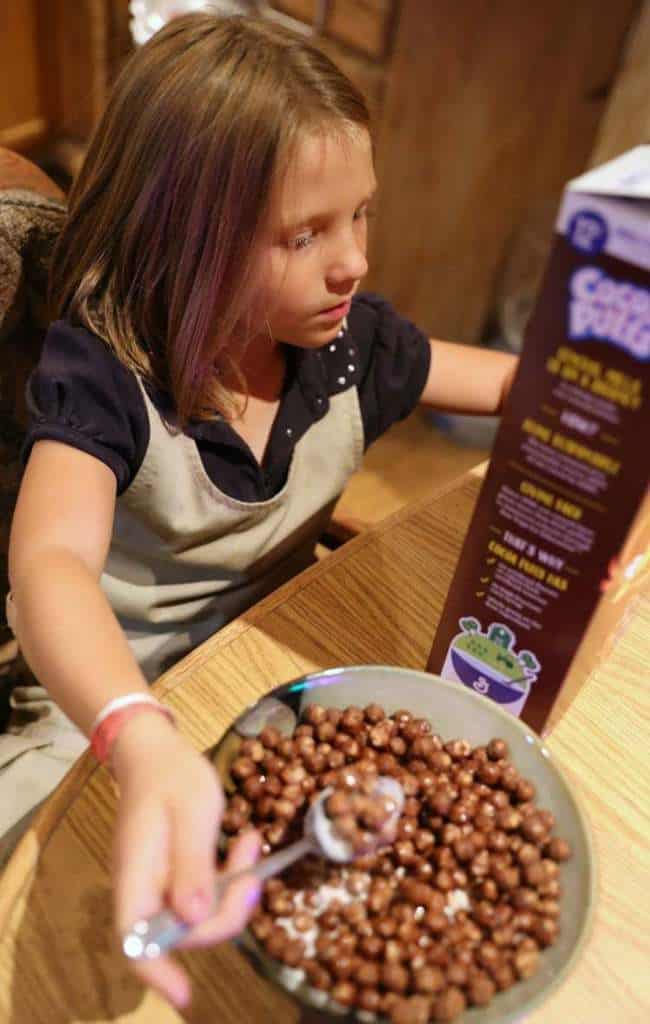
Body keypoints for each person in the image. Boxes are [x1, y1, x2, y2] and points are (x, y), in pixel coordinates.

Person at [3, 12, 518, 1009]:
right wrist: (137, 733)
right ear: (178, 237)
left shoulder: (346, 344)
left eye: (360, 215)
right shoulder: (105, 368)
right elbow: (50, 566)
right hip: (104, 704)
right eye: (303, 234)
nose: (352, 262)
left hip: (275, 672)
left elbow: (523, 389)